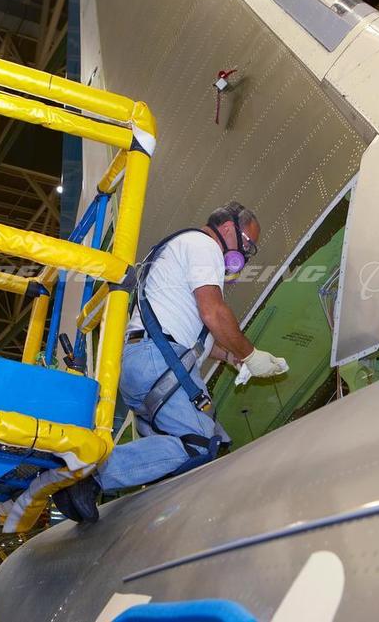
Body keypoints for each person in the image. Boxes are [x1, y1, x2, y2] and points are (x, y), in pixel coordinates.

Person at [53, 202, 289, 523]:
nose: (245, 257)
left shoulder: (176, 250)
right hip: (159, 363)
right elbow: (213, 312)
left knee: (184, 451)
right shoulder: (204, 246)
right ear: (228, 228)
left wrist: (231, 356)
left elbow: (185, 328)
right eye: (247, 245)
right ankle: (88, 474)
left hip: (143, 363)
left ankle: (145, 507)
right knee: (199, 443)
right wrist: (251, 354)